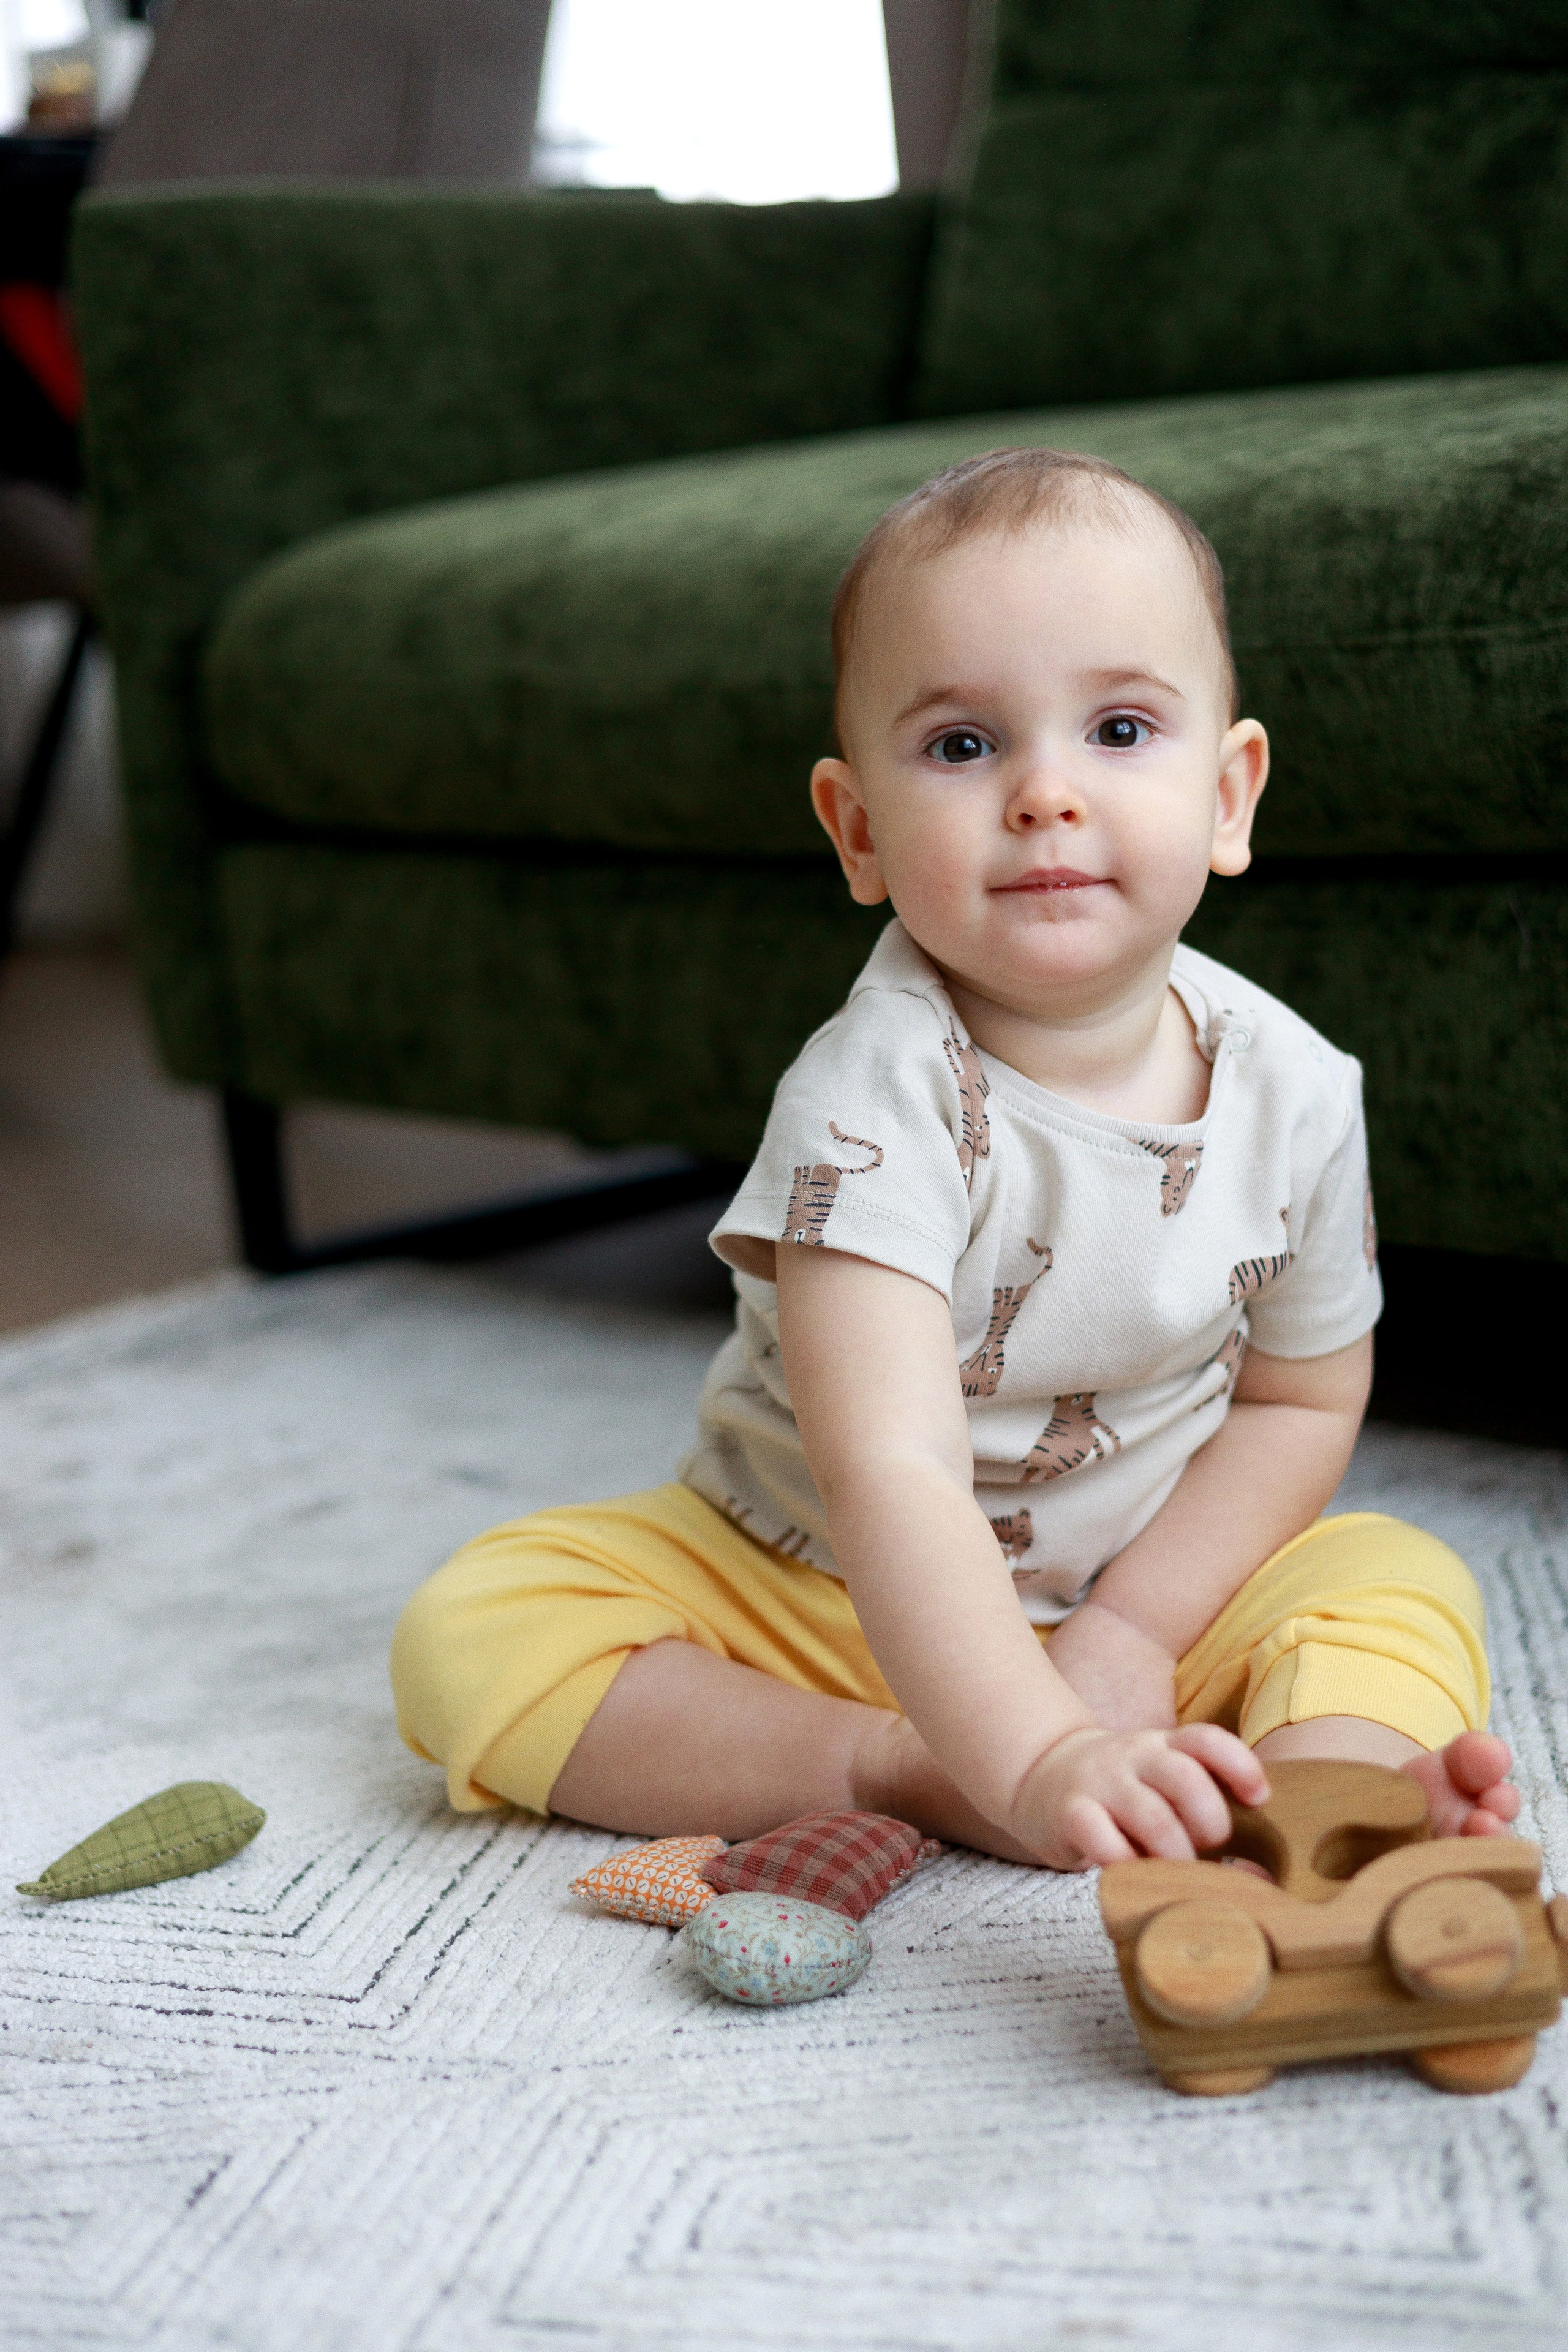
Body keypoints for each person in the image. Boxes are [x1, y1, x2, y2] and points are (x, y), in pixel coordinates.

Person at [391, 447, 1519, 1872]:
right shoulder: (871, 1096)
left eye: (1117, 729)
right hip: (816, 1585)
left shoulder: (1294, 1085)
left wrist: (1124, 1634)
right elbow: (891, 1469)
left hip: (1145, 1577)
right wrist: (1031, 1753)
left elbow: (1298, 1403)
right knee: (480, 1628)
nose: (1044, 793)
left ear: (1228, 797)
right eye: (962, 747)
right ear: (858, 832)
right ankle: (895, 1764)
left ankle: (1317, 1815)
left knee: (1389, 1579)